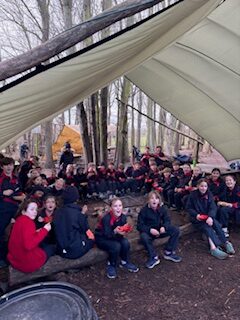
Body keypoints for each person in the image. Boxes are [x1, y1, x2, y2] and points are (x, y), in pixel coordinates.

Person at [186, 179, 235, 259]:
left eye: (205, 186)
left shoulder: (209, 194)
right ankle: (213, 248)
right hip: (197, 218)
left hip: (208, 216)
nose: (203, 188)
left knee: (216, 224)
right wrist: (196, 215)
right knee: (207, 227)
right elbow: (189, 208)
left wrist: (210, 217)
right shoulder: (193, 195)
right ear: (198, 186)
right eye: (201, 186)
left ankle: (226, 242)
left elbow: (213, 207)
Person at [95, 197, 139, 279]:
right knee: (116, 246)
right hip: (102, 238)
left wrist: (125, 230)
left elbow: (123, 230)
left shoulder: (123, 217)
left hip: (114, 236)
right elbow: (107, 234)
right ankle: (111, 264)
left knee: (125, 243)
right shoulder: (106, 218)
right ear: (111, 208)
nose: (118, 208)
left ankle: (124, 261)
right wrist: (115, 231)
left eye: (120, 205)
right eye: (115, 206)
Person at [137, 191, 182, 269]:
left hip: (160, 230)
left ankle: (168, 251)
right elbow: (139, 225)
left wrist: (164, 227)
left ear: (159, 200)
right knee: (143, 236)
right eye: (152, 198)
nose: (154, 200)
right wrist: (149, 230)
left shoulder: (162, 209)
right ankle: (153, 256)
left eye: (156, 198)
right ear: (148, 200)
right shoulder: (144, 211)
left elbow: (167, 220)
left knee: (175, 230)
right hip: (150, 232)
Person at [7, 199, 52, 273]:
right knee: (51, 248)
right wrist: (45, 230)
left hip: (15, 259)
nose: (35, 212)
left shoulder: (19, 220)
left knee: (43, 245)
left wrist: (36, 232)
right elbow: (28, 245)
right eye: (32, 209)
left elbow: (23, 237)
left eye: (36, 209)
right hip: (26, 263)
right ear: (24, 211)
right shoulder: (28, 222)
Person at [53, 186, 94, 259]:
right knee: (91, 239)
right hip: (75, 250)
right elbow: (84, 229)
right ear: (76, 197)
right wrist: (83, 214)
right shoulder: (77, 212)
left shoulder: (57, 212)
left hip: (61, 250)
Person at [0, 157, 25, 266]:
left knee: (16, 231)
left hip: (17, 208)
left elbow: (18, 190)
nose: (9, 167)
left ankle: (15, 255)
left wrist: (19, 195)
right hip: (4, 209)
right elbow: (4, 194)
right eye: (6, 165)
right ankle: (2, 258)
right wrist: (5, 194)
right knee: (2, 231)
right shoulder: (1, 179)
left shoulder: (16, 178)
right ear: (2, 167)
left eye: (10, 164)